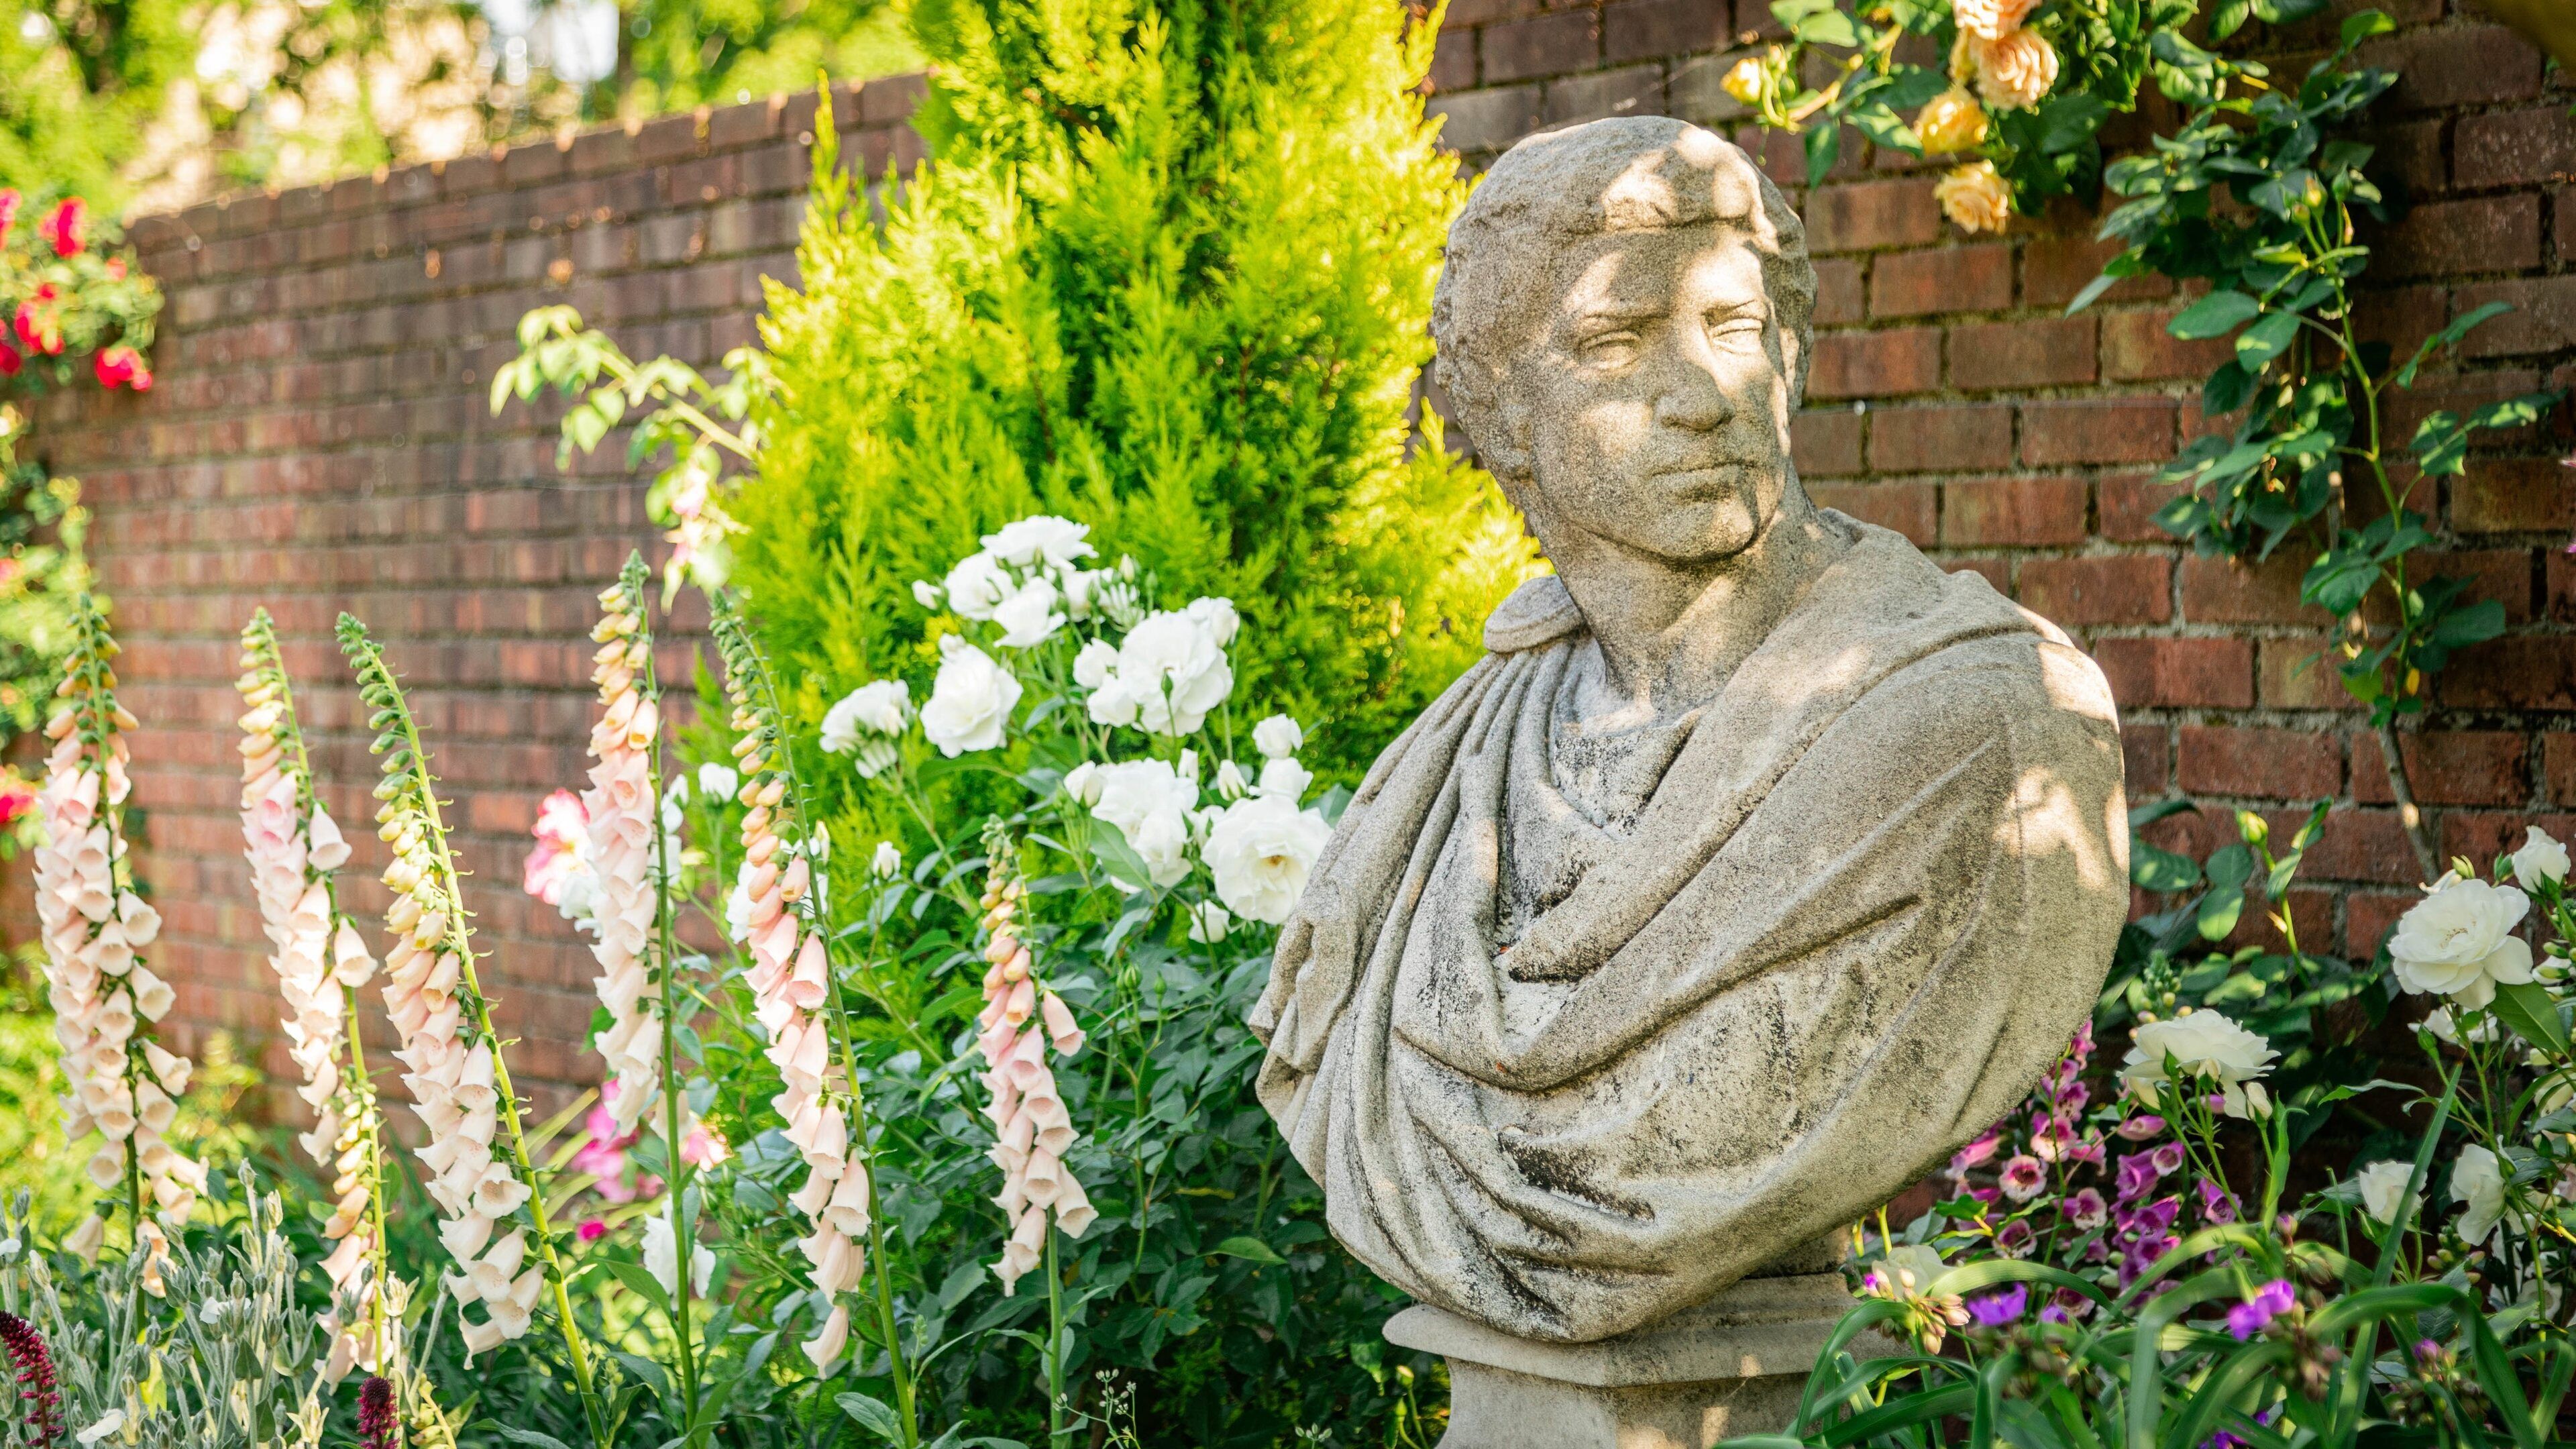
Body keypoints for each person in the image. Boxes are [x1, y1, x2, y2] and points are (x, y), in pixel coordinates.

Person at [1248, 116, 2130, 1345]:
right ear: (1497, 416)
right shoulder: (1466, 757)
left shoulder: (1983, 737)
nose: (1703, 395)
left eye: (1732, 328)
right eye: (1615, 343)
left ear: (1795, 357)